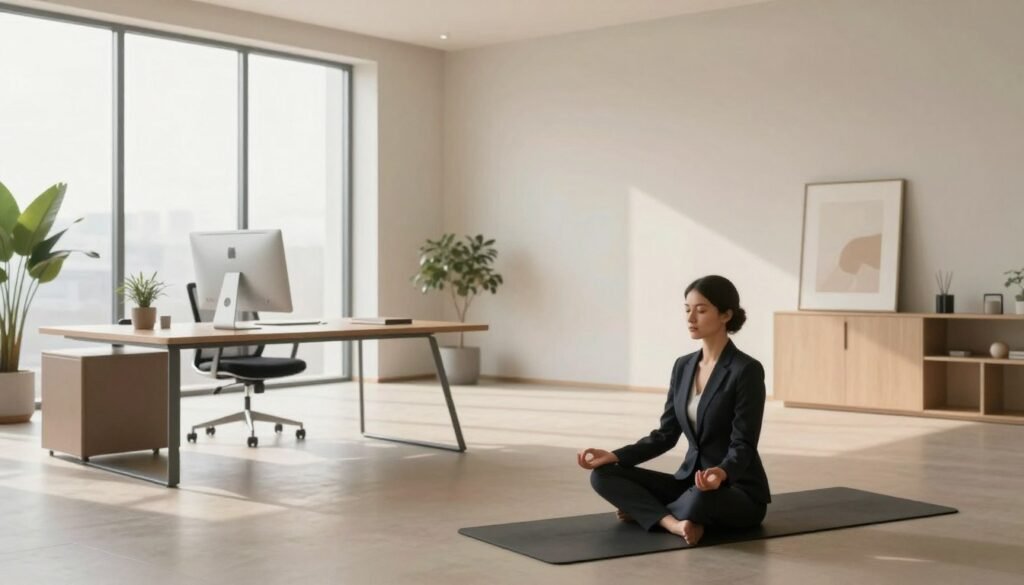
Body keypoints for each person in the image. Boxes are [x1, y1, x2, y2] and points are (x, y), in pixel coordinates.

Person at [577, 275, 770, 546]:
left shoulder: (745, 370)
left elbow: (744, 444)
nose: (691, 318)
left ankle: (651, 512)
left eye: (701, 310)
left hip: (734, 489)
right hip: (689, 483)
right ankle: (675, 523)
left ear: (726, 314)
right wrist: (614, 455)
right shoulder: (683, 366)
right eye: (687, 309)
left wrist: (721, 474)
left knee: (701, 497)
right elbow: (665, 435)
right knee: (603, 476)